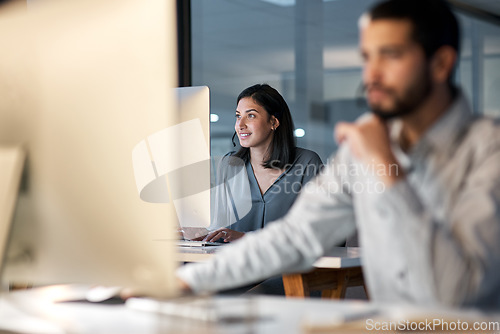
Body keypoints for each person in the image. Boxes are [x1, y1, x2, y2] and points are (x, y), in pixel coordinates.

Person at [177, 0, 500, 308]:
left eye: (389, 56)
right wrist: (187, 282)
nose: (371, 75)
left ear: (441, 63)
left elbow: (457, 291)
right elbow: (295, 236)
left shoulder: (489, 150)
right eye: (366, 58)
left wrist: (385, 172)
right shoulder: (365, 146)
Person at [184, 83, 323, 243]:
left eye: (250, 115)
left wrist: (245, 237)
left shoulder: (307, 164)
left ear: (273, 122)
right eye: (238, 116)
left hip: (290, 266)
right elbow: (221, 229)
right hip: (238, 265)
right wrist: (202, 233)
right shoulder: (229, 166)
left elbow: (319, 232)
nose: (240, 125)